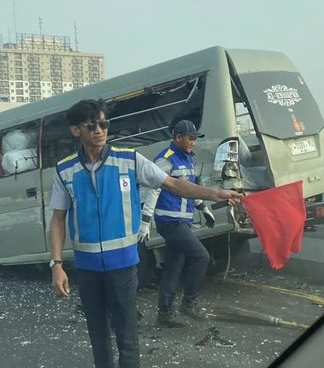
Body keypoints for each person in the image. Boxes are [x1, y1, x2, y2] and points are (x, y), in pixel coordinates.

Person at [49, 100, 241, 368]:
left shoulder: (129, 160)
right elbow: (57, 220)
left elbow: (173, 184)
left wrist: (215, 193)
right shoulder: (64, 170)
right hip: (88, 268)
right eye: (91, 126)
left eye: (103, 124)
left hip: (124, 266)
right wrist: (56, 265)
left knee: (127, 334)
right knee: (98, 334)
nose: (99, 130)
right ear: (75, 131)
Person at [139, 120, 217, 329]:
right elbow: (152, 190)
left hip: (182, 221)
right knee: (201, 256)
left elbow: (190, 189)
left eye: (195, 139)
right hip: (169, 221)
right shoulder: (165, 160)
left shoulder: (187, 160)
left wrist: (204, 209)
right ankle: (189, 304)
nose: (194, 142)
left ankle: (164, 314)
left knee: (173, 267)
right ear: (178, 137)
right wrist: (145, 221)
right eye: (190, 138)